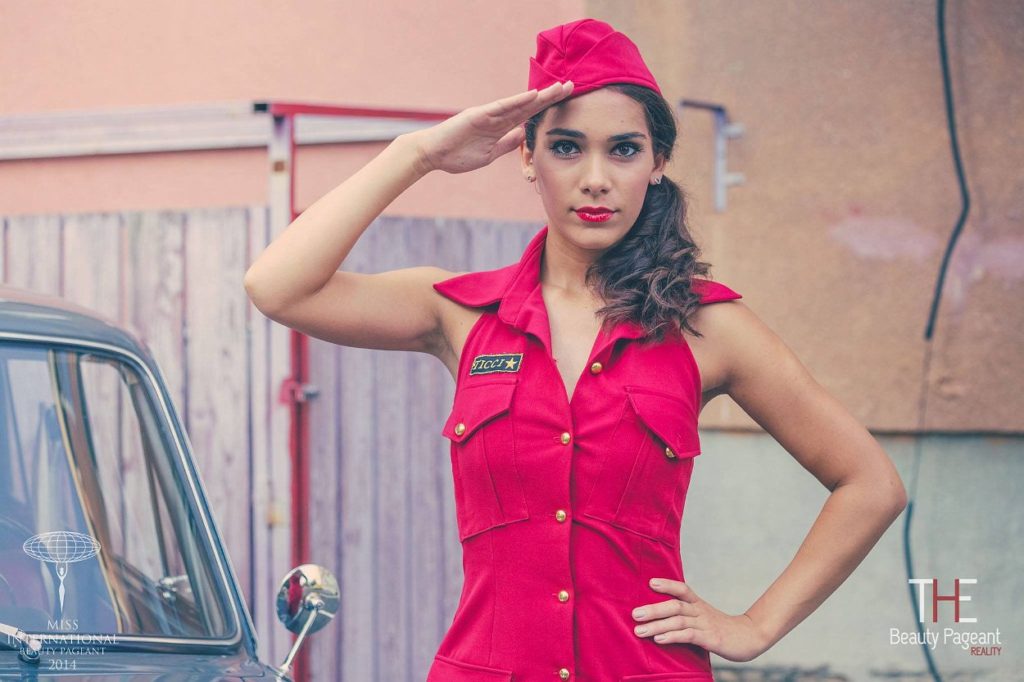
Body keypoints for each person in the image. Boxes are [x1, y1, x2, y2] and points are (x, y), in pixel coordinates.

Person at [244, 17, 908, 681]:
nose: (595, 178)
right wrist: (417, 154)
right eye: (566, 148)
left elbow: (870, 484)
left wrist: (755, 626)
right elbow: (277, 288)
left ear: (657, 164)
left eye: (624, 150)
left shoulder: (705, 325)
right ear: (527, 158)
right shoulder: (459, 313)